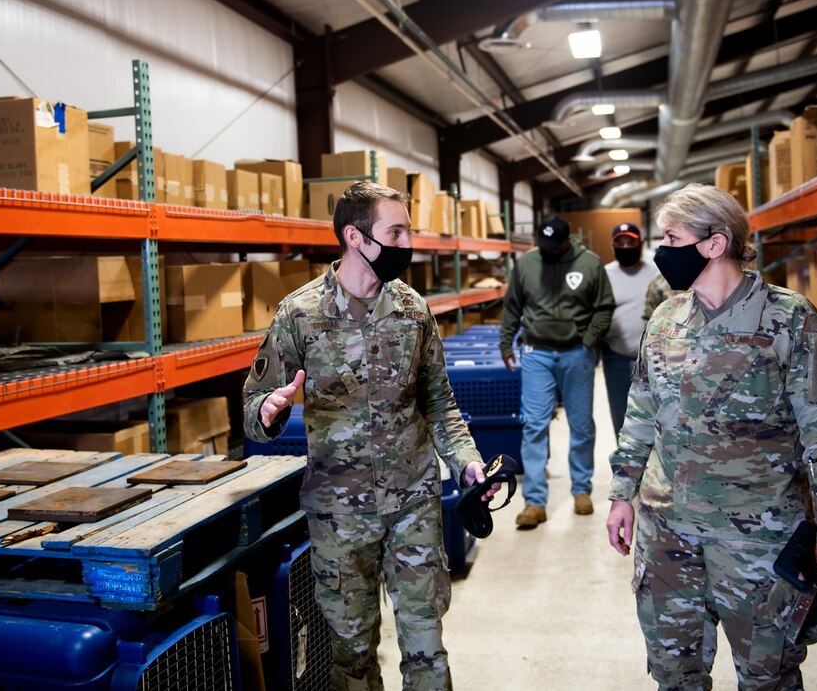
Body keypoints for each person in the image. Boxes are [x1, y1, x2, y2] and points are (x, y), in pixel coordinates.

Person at [605, 183, 817, 690]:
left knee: (769, 676)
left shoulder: (789, 320)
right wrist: (621, 493)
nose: (662, 252)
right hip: (667, 532)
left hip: (759, 538)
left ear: (714, 244)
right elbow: (641, 412)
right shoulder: (665, 319)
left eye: (672, 238)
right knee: (675, 674)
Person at [243, 181, 494, 690]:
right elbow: (253, 407)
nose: (407, 243)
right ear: (355, 237)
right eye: (395, 231)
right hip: (339, 512)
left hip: (414, 505)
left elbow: (440, 403)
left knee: (426, 645)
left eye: (408, 230)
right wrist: (268, 411)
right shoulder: (299, 314)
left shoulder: (413, 310)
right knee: (351, 653)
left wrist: (466, 461)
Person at [499, 216, 615, 528]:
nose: (547, 250)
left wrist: (589, 341)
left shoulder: (590, 264)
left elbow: (604, 307)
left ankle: (581, 490)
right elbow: (512, 306)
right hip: (536, 353)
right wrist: (505, 343)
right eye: (542, 245)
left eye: (554, 246)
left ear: (567, 241)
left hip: (576, 353)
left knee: (581, 424)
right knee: (534, 425)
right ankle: (535, 501)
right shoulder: (526, 264)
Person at [602, 222, 657, 441]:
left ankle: (652, 470)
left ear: (641, 243)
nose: (625, 246)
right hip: (615, 357)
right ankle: (627, 469)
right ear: (612, 245)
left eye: (631, 241)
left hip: (652, 360)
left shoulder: (657, 272)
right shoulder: (604, 274)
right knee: (622, 417)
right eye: (620, 242)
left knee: (654, 417)